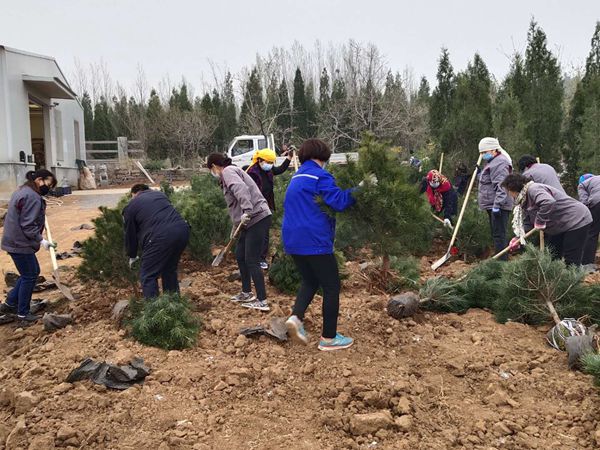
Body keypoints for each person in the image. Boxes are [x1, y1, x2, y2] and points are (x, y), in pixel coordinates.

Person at [282, 139, 362, 352]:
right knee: (331, 286)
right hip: (314, 241)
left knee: (309, 281)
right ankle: (329, 338)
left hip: (292, 240)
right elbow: (339, 201)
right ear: (323, 156)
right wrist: (360, 189)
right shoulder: (320, 176)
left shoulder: (296, 177)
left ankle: (296, 317)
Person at [207, 153, 272, 311]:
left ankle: (262, 300)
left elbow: (240, 190)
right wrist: (235, 228)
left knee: (251, 259)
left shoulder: (228, 172)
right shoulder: (228, 175)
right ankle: (246, 292)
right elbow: (235, 207)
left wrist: (248, 210)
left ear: (214, 166)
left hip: (257, 217)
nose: (212, 173)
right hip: (247, 222)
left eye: (211, 169)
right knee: (240, 255)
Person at [0, 169, 57, 322]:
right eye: (48, 184)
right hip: (20, 242)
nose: (49, 188)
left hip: (13, 240)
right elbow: (27, 224)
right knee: (30, 275)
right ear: (39, 180)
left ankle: (10, 303)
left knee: (31, 272)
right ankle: (23, 314)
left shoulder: (23, 190)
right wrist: (41, 240)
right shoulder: (32, 196)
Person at [504, 174, 592, 266]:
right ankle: (554, 279)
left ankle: (573, 278)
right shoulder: (523, 200)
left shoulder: (533, 189)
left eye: (508, 190)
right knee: (552, 255)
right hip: (559, 226)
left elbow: (548, 202)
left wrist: (540, 221)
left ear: (513, 188)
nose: (509, 194)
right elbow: (529, 223)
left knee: (571, 258)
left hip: (576, 219)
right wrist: (518, 238)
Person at [123, 184, 190, 299]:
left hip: (159, 237)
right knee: (169, 270)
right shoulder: (160, 195)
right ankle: (173, 305)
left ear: (134, 194)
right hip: (182, 230)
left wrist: (132, 255)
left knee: (148, 275)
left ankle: (154, 312)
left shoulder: (131, 206)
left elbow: (130, 233)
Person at [246, 146, 293, 269]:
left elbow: (279, 169)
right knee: (255, 233)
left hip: (266, 206)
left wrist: (289, 158)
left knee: (265, 233)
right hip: (254, 207)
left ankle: (261, 258)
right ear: (260, 160)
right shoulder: (252, 172)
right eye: (268, 162)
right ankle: (251, 258)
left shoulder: (269, 170)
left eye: (272, 163)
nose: (270, 165)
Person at [477, 137, 513, 260]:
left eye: (484, 152)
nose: (482, 155)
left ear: (493, 150)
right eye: (481, 153)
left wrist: (497, 206)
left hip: (499, 205)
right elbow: (489, 181)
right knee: (496, 234)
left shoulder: (500, 162)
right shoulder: (492, 162)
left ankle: (501, 264)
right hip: (493, 204)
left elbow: (502, 186)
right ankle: (499, 258)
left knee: (499, 235)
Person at [578, 173, 600, 266]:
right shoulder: (597, 178)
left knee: (592, 234)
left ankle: (587, 264)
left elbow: (584, 204)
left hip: (598, 202)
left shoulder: (582, 185)